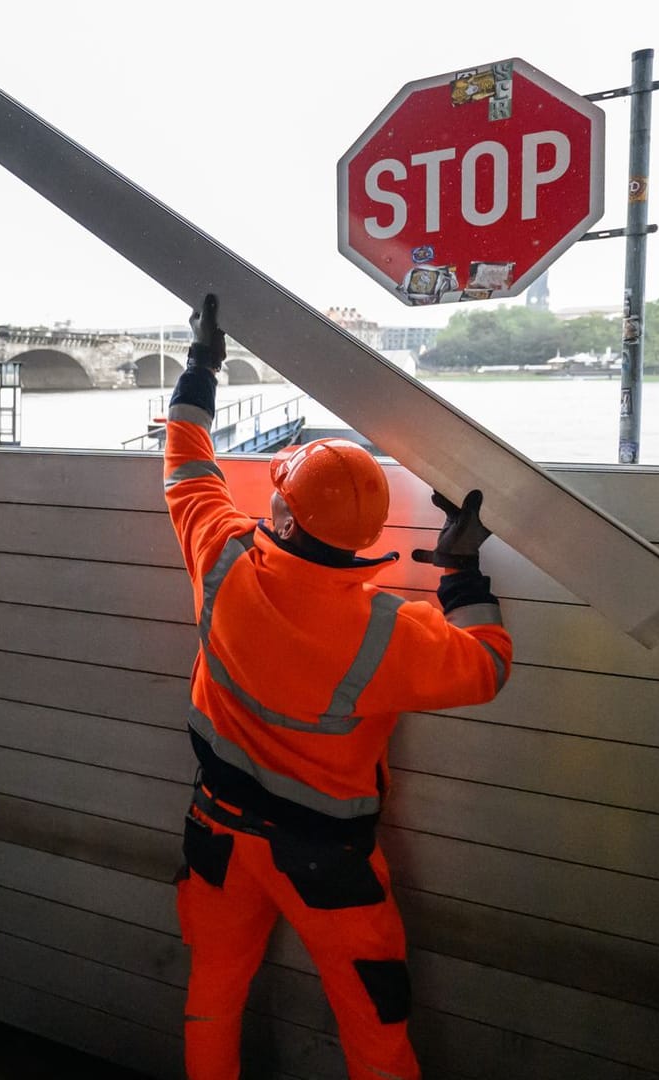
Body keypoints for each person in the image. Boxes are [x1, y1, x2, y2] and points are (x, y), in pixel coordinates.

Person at [162, 295, 513, 1079]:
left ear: (281, 516)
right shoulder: (392, 633)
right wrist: (460, 572)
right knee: (375, 1027)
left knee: (213, 994)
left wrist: (202, 363)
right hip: (328, 864)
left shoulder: (220, 559)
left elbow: (187, 463)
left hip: (218, 834)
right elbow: (487, 664)